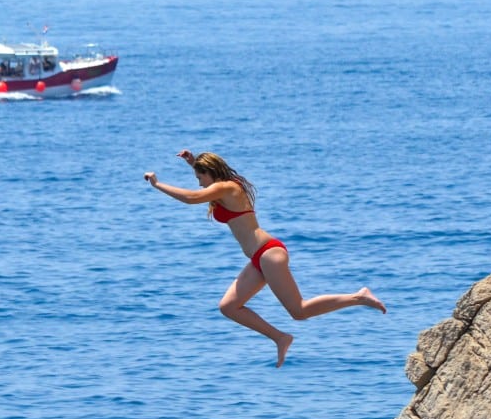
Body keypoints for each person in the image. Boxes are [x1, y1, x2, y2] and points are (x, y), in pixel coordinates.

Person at [143, 150, 386, 367]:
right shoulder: (222, 186)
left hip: (269, 253)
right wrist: (193, 162)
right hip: (259, 258)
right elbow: (206, 180)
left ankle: (358, 297)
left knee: (299, 311)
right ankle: (280, 338)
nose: (199, 184)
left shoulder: (228, 187)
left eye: (199, 178)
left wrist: (157, 184)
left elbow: (191, 198)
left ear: (210, 173)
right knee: (228, 307)